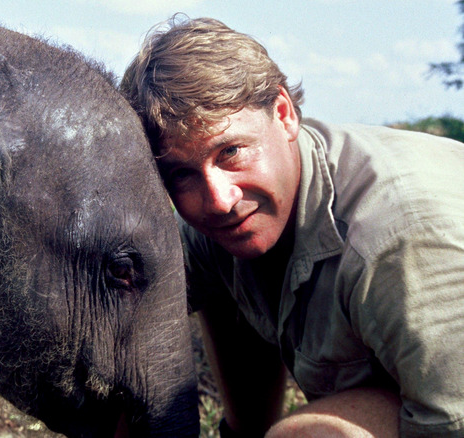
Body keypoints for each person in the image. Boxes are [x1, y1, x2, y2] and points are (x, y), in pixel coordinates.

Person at [120, 15, 464, 438]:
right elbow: (119, 308)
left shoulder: (399, 238)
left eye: (230, 152)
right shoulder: (219, 218)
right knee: (216, 268)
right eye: (181, 175)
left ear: (283, 114)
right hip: (410, 384)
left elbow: (452, 421)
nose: (219, 200)